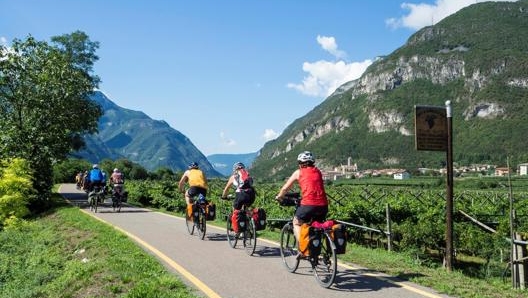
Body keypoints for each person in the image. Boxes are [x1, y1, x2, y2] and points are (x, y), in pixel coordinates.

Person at [275, 151, 328, 242]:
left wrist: (279, 197)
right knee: (317, 225)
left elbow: (285, 189)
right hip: (323, 205)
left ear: (300, 163)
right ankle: (315, 250)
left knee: (296, 223)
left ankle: (303, 248)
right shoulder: (318, 171)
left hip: (308, 204)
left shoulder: (298, 172)